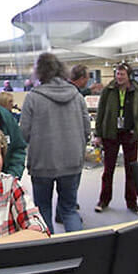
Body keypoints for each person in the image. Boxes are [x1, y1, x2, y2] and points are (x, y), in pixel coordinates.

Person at [20, 52, 91, 232]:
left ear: (40, 72)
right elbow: (86, 129)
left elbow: (24, 133)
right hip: (72, 163)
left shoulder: (32, 97)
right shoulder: (76, 95)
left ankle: (50, 255)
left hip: (42, 163)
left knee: (42, 210)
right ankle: (78, 254)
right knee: (69, 210)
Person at [93, 63, 138, 215]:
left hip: (130, 134)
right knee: (108, 170)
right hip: (111, 134)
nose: (119, 77)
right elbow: (100, 113)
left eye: (122, 74)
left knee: (131, 170)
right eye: (117, 74)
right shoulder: (108, 90)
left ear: (128, 76)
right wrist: (98, 134)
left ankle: (132, 203)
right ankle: (104, 200)